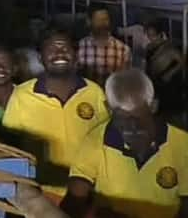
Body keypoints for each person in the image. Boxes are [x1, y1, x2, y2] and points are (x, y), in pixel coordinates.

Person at [61, 68, 188, 218]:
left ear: (153, 106)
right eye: (122, 119)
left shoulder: (181, 144)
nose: (132, 128)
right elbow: (75, 198)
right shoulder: (95, 141)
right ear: (108, 109)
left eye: (139, 118)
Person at [3, 30, 110, 201]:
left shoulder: (94, 92)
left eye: (65, 48)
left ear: (76, 55)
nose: (59, 53)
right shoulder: (22, 95)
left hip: (88, 192)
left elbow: (107, 140)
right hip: (42, 193)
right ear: (40, 58)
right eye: (52, 49)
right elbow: (9, 146)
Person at [77, 7, 131, 86]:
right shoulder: (80, 46)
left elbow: (125, 80)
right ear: (89, 22)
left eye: (105, 19)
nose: (103, 23)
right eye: (98, 20)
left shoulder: (123, 49)